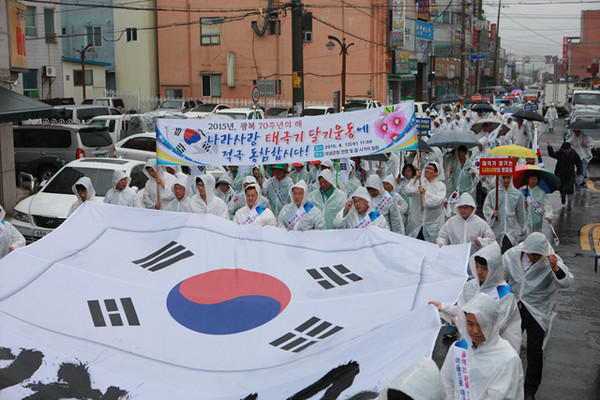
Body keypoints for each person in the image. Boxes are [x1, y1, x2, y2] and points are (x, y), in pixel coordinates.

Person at [503, 232, 572, 399]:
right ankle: (506, 384)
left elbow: (566, 282)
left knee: (535, 351)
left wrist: (556, 268)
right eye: (530, 254)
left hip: (537, 311)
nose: (533, 258)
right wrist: (503, 297)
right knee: (508, 346)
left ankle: (530, 391)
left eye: (536, 255)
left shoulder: (551, 259)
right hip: (515, 307)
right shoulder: (512, 255)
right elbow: (501, 278)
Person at [429, 243, 521, 352]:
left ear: (494, 269)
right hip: (471, 347)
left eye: (484, 268)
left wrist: (461, 323)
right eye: (476, 266)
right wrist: (444, 307)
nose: (478, 272)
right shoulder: (471, 286)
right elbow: (464, 310)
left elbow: (498, 325)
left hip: (494, 351)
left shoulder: (504, 293)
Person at [440, 293, 524, 400]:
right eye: (470, 324)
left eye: (481, 324)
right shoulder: (459, 348)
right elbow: (446, 379)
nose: (475, 331)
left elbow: (498, 396)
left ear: (494, 323)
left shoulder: (507, 359)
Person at [404, 162, 446, 243]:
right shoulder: (420, 182)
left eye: (430, 169)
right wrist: (416, 178)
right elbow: (409, 191)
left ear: (436, 173)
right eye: (426, 168)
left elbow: (438, 201)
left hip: (432, 224)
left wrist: (425, 193)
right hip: (417, 223)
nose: (426, 170)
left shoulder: (440, 186)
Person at [483, 175, 526, 253]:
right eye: (503, 178)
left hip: (510, 231)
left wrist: (522, 229)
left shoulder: (517, 194)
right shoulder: (493, 194)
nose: (506, 180)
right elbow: (486, 208)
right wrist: (492, 214)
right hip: (496, 229)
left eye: (508, 177)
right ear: (499, 178)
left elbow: (520, 213)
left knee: (507, 254)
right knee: (496, 253)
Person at [547, 141, 583, 209]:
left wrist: (580, 173)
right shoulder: (560, 153)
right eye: (565, 150)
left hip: (570, 174)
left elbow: (579, 163)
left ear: (570, 148)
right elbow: (552, 154)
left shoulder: (574, 154)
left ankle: (569, 204)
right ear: (563, 149)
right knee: (562, 188)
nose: (567, 151)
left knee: (570, 188)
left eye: (568, 149)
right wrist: (549, 147)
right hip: (560, 174)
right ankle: (562, 196)